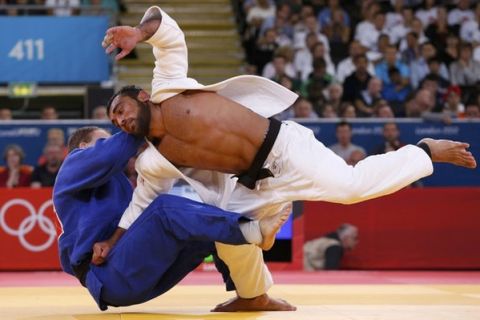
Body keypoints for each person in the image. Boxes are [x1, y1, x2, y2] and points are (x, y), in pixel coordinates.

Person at [103, 6, 476, 311]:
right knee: (230, 234)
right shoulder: (153, 161)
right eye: (114, 120)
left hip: (284, 149)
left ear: (142, 96)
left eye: (120, 108)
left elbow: (169, 36)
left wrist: (138, 33)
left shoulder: (168, 88)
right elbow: (140, 205)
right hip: (248, 183)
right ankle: (253, 296)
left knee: (351, 187)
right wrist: (114, 242)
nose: (120, 120)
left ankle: (424, 150)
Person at [53, 126, 292, 311]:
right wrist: (146, 121)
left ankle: (252, 296)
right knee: (164, 210)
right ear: (84, 146)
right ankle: (254, 230)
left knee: (207, 223)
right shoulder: (73, 164)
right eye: (102, 140)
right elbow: (111, 153)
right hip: (110, 276)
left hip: (136, 277)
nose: (109, 143)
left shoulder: (120, 183)